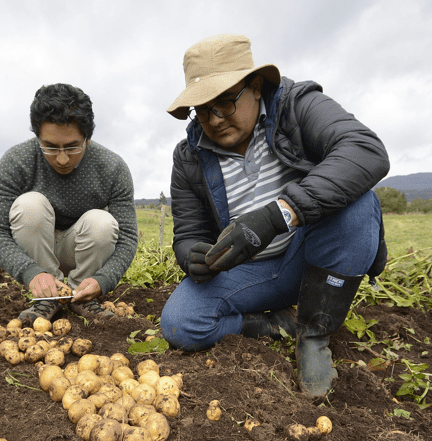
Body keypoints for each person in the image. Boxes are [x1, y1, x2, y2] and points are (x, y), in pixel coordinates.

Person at [161, 34, 389, 397]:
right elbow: (188, 230)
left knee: (358, 202)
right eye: (202, 111)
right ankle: (278, 324)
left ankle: (315, 335)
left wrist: (278, 216)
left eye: (224, 103)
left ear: (254, 87)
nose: (214, 119)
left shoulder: (297, 105)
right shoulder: (189, 155)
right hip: (253, 268)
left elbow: (365, 151)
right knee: (181, 324)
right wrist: (191, 255)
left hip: (314, 253)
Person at [0, 83, 138, 326]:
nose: (62, 159)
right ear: (37, 137)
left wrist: (104, 279)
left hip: (80, 250)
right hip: (36, 249)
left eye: (72, 146)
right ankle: (50, 295)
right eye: (51, 147)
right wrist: (31, 272)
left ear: (88, 138)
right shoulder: (17, 160)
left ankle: (81, 296)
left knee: (102, 222)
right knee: (29, 205)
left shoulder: (112, 167)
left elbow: (127, 236)